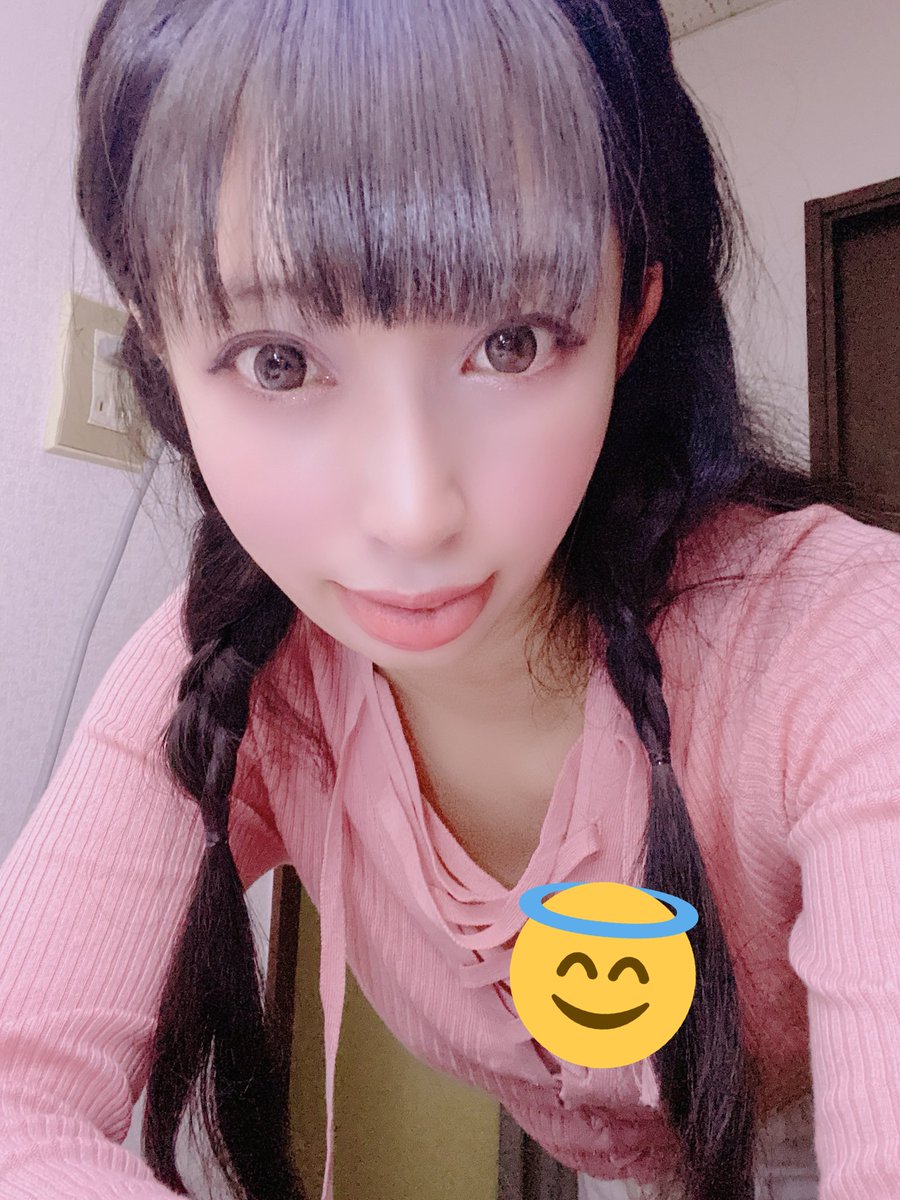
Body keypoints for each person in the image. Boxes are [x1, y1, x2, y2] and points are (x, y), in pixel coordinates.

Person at [1, 0, 898, 1198]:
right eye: (279, 361)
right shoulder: (226, 664)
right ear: (161, 351)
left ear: (629, 317)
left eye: (513, 343)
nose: (415, 512)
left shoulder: (845, 646)